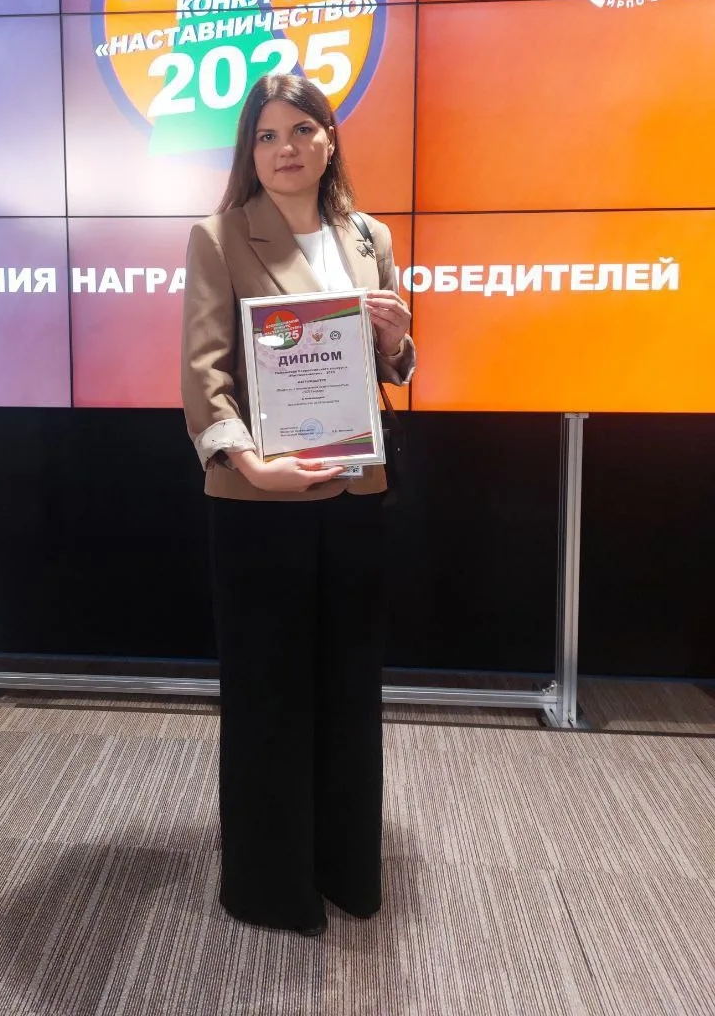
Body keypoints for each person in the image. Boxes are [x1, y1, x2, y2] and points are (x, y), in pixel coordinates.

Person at [180, 73, 416, 937]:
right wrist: (250, 465)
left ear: (329, 139)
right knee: (268, 690)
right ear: (250, 151)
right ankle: (270, 886)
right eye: (268, 134)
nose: (286, 148)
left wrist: (398, 340)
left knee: (349, 685)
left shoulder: (369, 235)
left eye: (302, 130)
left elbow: (393, 365)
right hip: (258, 499)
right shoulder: (218, 237)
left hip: (355, 492)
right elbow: (205, 374)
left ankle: (347, 869)